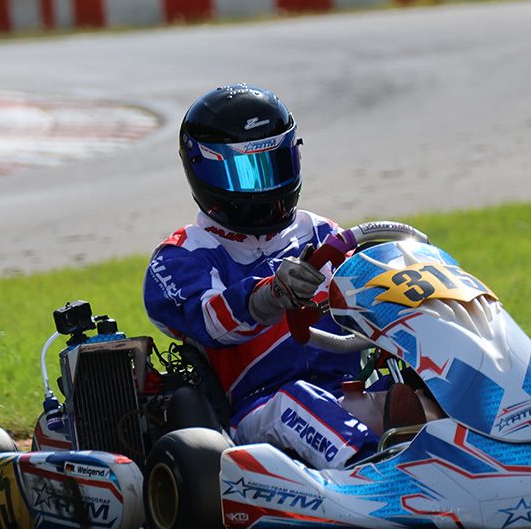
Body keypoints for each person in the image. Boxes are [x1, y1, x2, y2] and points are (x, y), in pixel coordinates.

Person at [143, 84, 379, 469]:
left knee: (422, 382)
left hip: (350, 391)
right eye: (250, 173)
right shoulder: (181, 256)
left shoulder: (324, 234)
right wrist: (266, 295)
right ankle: (373, 471)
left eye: (277, 166)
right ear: (206, 170)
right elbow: (211, 322)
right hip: (260, 409)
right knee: (300, 401)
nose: (267, 186)